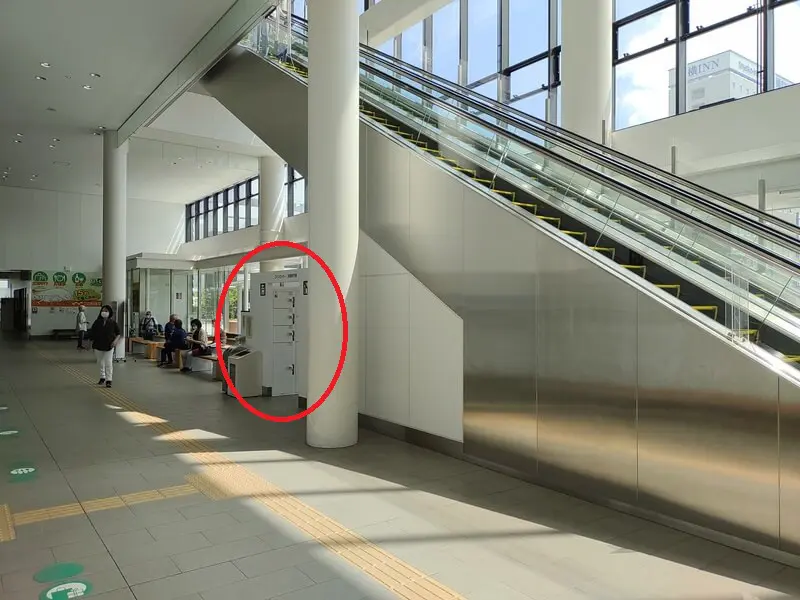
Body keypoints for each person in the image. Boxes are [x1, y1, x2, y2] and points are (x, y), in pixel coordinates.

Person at [91, 304, 121, 388]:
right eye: (103, 311)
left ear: (110, 312)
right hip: (98, 345)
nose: (104, 312)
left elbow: (118, 333)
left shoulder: (113, 323)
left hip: (109, 345)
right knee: (100, 362)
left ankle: (109, 380)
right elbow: (92, 333)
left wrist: (115, 341)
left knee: (108, 362)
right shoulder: (97, 322)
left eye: (106, 311)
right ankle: (102, 377)